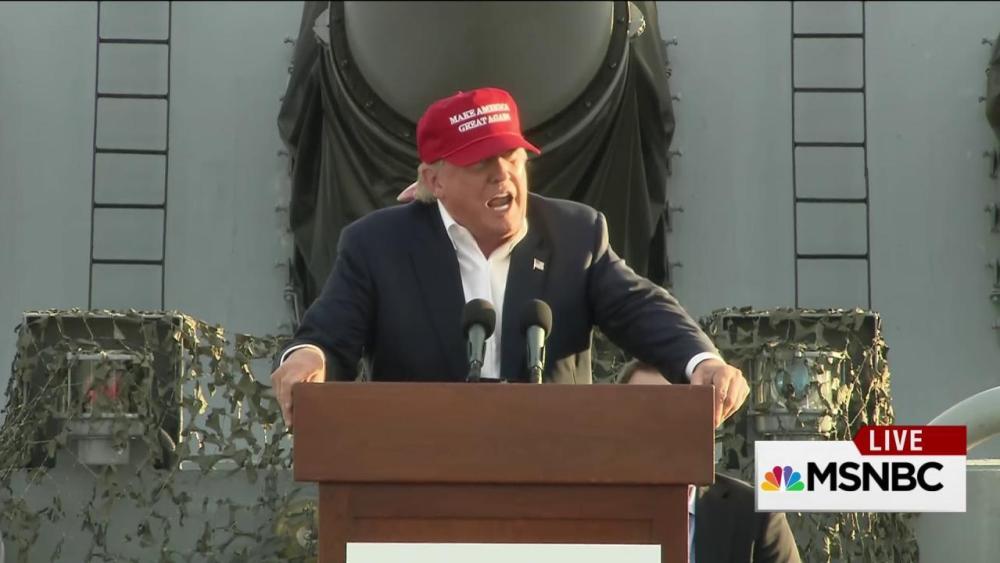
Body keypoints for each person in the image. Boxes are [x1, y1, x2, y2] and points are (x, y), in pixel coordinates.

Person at [270, 86, 749, 428]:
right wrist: (307, 359)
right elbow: (328, 336)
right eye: (481, 163)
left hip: (556, 476)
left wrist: (702, 363)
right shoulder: (377, 245)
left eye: (513, 159)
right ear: (434, 180)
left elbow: (641, 308)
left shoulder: (575, 235)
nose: (502, 176)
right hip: (419, 479)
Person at [620, 361, 801, 563]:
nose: (657, 426)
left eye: (673, 407)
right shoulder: (595, 509)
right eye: (642, 409)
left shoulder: (755, 516)